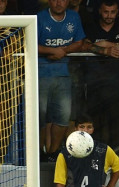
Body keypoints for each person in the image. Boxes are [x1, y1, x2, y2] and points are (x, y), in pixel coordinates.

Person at [37, 0, 86, 159]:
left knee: (63, 116)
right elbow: (30, 44)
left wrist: (62, 51)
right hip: (40, 73)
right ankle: (39, 153)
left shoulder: (74, 17)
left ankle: (53, 152)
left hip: (64, 74)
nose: (59, 3)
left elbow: (79, 42)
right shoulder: (39, 17)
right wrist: (52, 51)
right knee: (40, 116)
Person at [82, 0, 119, 148]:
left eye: (112, 12)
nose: (109, 15)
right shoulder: (91, 24)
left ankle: (114, 157)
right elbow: (84, 45)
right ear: (100, 11)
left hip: (117, 82)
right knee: (95, 122)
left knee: (116, 124)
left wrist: (102, 44)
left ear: (117, 11)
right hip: (94, 82)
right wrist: (107, 48)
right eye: (106, 12)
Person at [54, 115, 119, 187]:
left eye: (89, 127)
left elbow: (118, 167)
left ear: (93, 130)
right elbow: (60, 182)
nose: (85, 131)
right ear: (75, 129)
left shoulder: (103, 150)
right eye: (82, 127)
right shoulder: (65, 153)